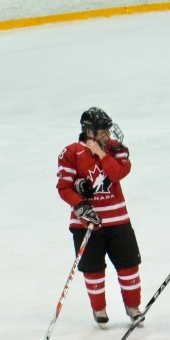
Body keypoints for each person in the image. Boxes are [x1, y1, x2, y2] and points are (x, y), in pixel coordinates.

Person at [56, 108, 143, 328]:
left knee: (129, 265)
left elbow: (117, 174)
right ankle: (99, 309)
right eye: (102, 131)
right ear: (89, 131)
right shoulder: (71, 152)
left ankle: (133, 307)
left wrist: (102, 153)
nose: (107, 135)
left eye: (108, 130)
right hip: (87, 223)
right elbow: (64, 187)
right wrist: (80, 204)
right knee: (93, 268)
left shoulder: (117, 150)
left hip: (118, 219)